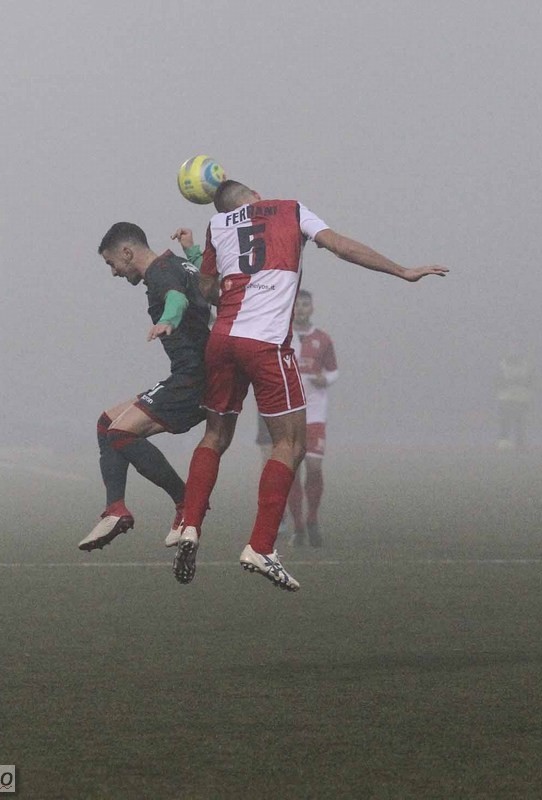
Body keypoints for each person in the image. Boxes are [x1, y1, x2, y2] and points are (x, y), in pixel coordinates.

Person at [172, 179, 448, 590]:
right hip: (264, 344)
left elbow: (209, 289)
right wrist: (401, 270)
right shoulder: (290, 209)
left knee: (215, 435)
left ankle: (188, 524)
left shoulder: (218, 226)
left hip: (222, 341)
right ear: (256, 196)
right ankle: (261, 546)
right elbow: (340, 246)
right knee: (291, 443)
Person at [78, 222, 211, 552]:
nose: (114, 272)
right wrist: (192, 249)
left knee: (120, 434)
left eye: (112, 264)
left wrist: (168, 318)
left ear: (127, 252)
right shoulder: (179, 263)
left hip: (194, 379)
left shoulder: (159, 273)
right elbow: (203, 279)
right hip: (191, 374)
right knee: (107, 422)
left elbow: (177, 298)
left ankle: (185, 503)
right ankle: (116, 509)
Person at [285, 289, 337, 547]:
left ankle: (313, 518)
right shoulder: (281, 336)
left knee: (314, 469)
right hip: (288, 413)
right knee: (291, 471)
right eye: (297, 305)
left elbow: (334, 371)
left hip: (315, 413)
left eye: (306, 304)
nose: (301, 309)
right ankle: (298, 527)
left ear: (312, 308)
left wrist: (324, 379)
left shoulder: (323, 339)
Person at [496, 353, 533, 450]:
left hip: (521, 398)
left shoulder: (525, 366)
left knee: (520, 421)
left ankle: (519, 443)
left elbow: (530, 382)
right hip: (506, 398)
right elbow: (497, 381)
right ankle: (504, 442)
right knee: (505, 421)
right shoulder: (502, 365)